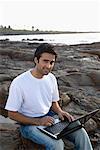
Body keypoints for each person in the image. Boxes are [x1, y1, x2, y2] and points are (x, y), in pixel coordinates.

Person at [5, 43, 93, 150]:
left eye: (52, 62)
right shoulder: (19, 82)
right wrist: (38, 122)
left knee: (80, 131)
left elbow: (53, 102)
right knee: (57, 144)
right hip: (29, 125)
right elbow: (11, 114)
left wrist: (60, 112)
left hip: (51, 118)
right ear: (36, 60)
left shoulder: (51, 78)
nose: (49, 66)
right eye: (45, 61)